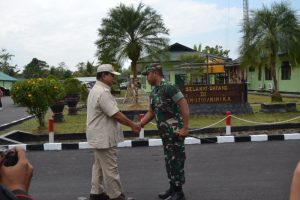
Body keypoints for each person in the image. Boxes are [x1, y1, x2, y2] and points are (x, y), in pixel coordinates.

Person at [86, 64, 140, 200]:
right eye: (112, 75)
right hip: (104, 137)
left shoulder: (96, 89)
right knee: (111, 168)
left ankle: (96, 192)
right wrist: (132, 124)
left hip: (98, 135)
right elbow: (115, 114)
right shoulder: (102, 92)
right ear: (103, 75)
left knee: (98, 165)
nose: (114, 78)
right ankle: (116, 196)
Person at [140, 64, 189, 200]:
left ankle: (179, 192)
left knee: (177, 160)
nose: (147, 78)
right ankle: (172, 188)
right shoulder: (155, 91)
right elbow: (151, 111)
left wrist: (185, 127)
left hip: (175, 132)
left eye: (147, 74)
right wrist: (140, 124)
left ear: (155, 73)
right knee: (169, 160)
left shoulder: (169, 87)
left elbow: (183, 104)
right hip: (165, 134)